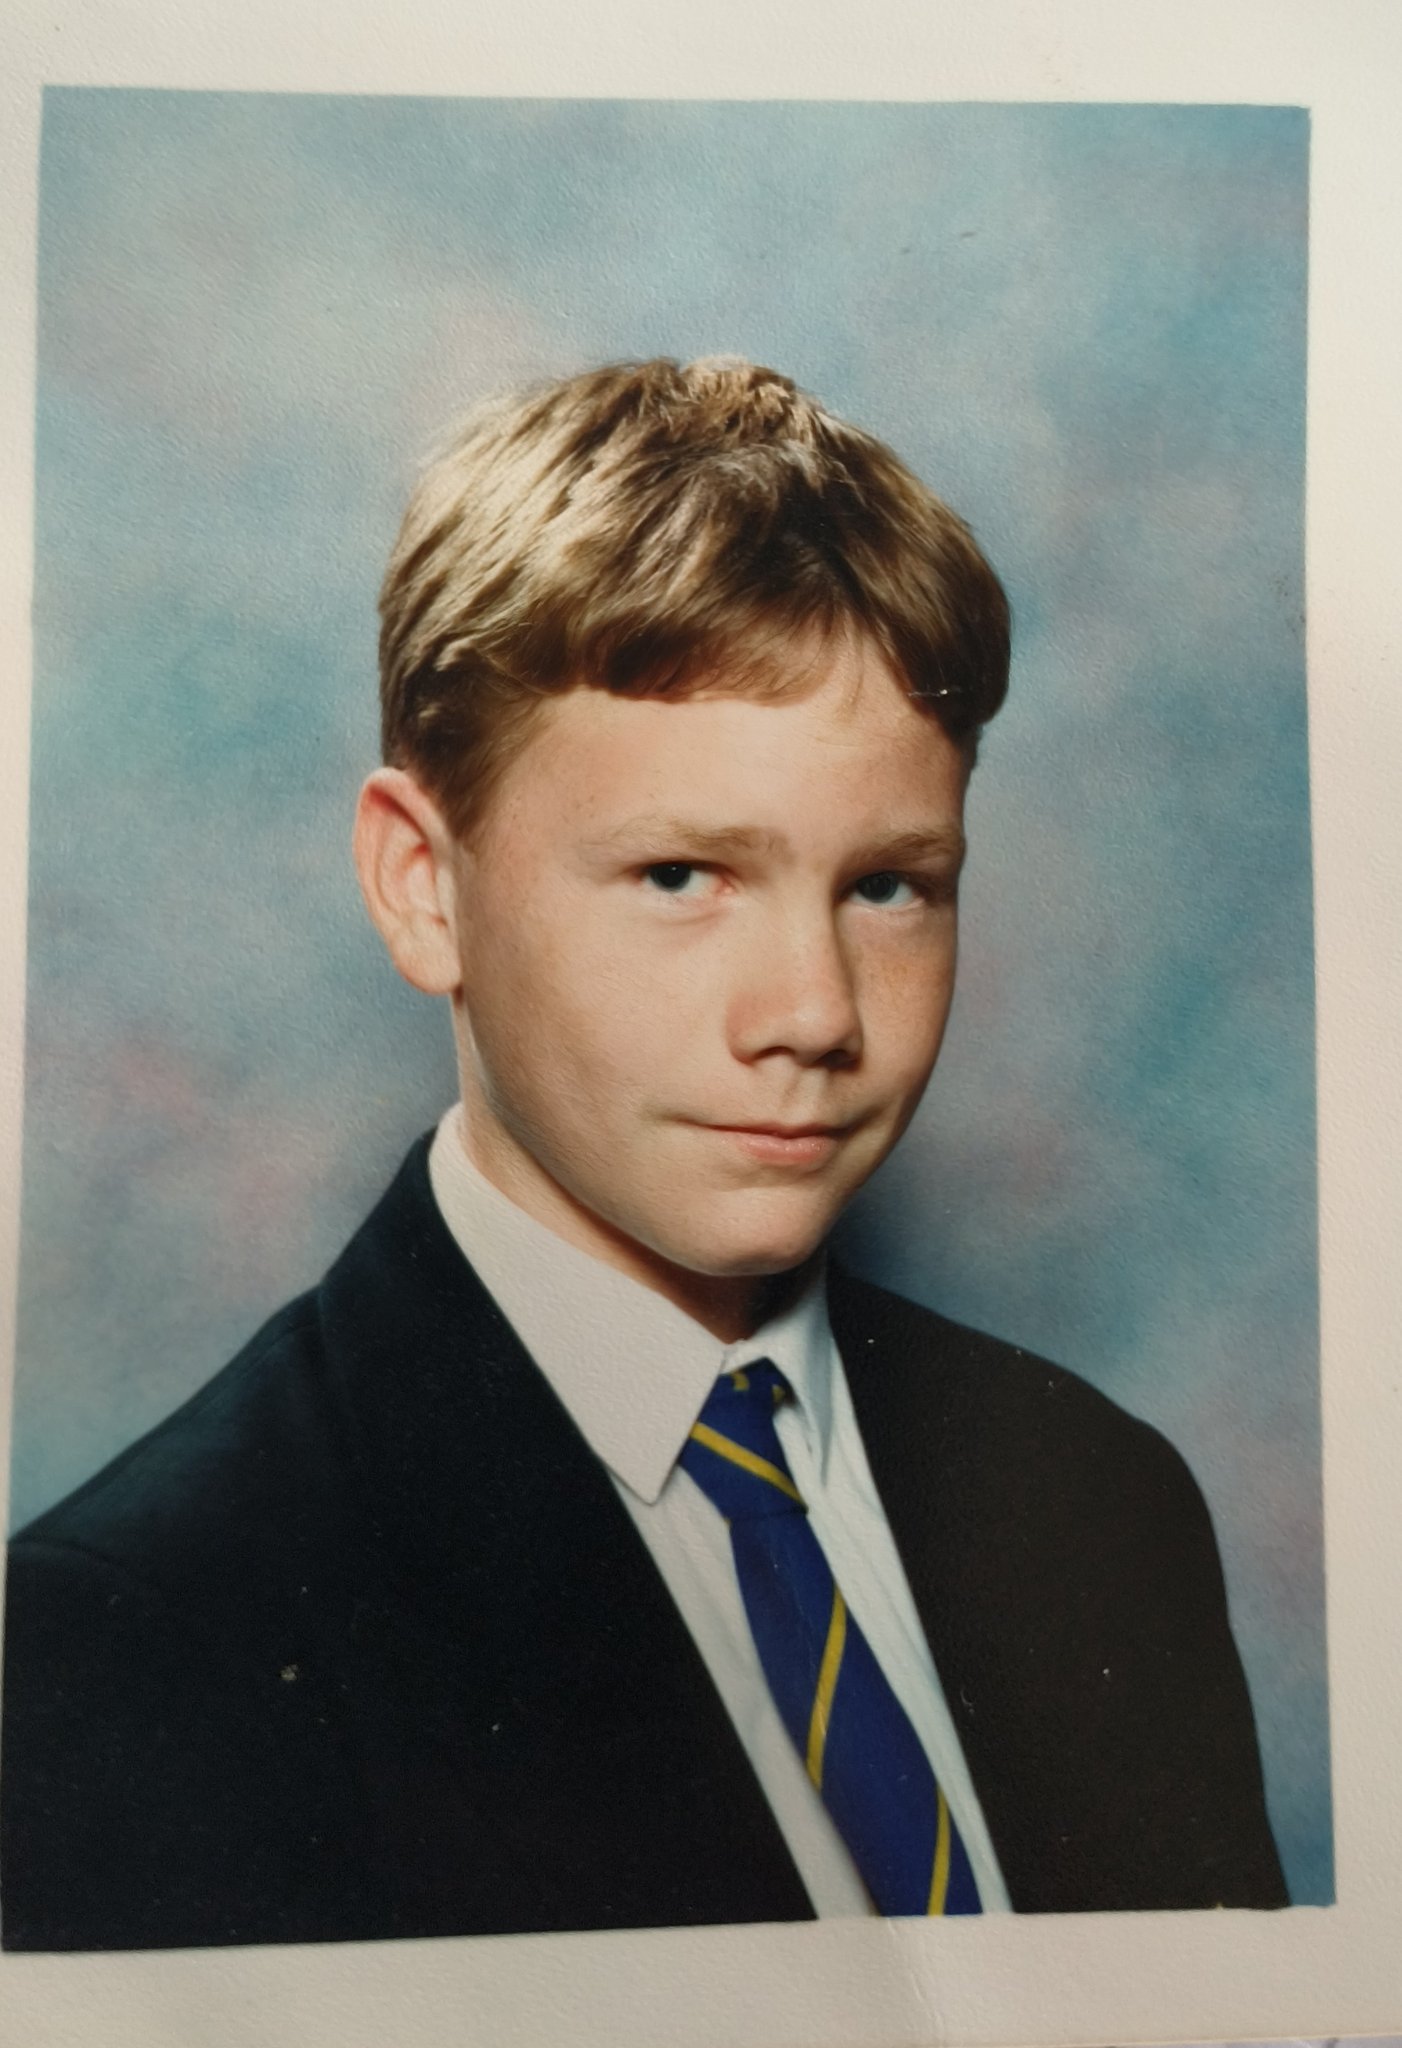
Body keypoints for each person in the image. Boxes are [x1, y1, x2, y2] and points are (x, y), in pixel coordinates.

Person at [0, 357, 1287, 1951]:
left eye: (888, 886)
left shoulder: (1096, 1497)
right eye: (681, 876)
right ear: (421, 885)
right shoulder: (143, 1641)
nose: (813, 1013)